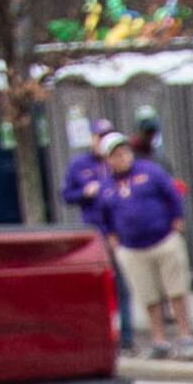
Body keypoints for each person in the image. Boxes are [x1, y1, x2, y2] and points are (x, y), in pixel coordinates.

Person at [100, 126, 193, 360]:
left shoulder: (150, 172)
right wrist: (113, 238)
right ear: (108, 159)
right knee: (149, 296)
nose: (121, 157)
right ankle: (159, 340)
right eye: (115, 154)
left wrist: (177, 220)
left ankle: (185, 336)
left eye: (124, 151)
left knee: (176, 290)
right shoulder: (107, 187)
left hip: (163, 239)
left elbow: (172, 194)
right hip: (132, 248)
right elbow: (103, 216)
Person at [62, 129, 131, 352]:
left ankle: (126, 337)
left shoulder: (118, 166)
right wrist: (85, 192)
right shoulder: (80, 165)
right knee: (102, 285)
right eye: (98, 137)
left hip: (122, 233)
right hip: (95, 232)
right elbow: (66, 195)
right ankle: (104, 334)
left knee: (122, 286)